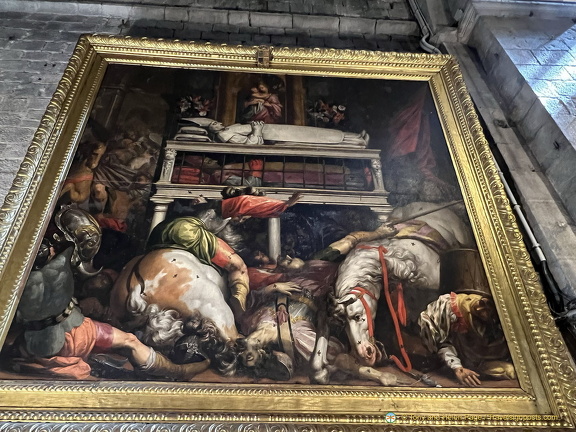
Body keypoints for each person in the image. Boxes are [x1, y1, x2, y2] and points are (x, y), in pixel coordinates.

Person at [12, 214, 210, 381]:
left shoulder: (23, 270)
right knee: (130, 341)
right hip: (72, 335)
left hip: (32, 341)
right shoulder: (61, 267)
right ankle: (177, 371)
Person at [147, 187, 303, 317]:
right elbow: (245, 203)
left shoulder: (214, 209)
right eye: (242, 216)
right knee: (239, 267)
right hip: (189, 231)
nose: (241, 220)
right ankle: (239, 310)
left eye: (244, 219)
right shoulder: (228, 207)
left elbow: (231, 241)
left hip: (163, 231)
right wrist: (284, 205)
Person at [418, 291, 515, 387]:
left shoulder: (495, 325)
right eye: (482, 303)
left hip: (482, 360)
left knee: (509, 370)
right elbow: (442, 342)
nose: (479, 308)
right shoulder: (450, 306)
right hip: (458, 360)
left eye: (487, 311)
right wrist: (457, 367)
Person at [185, 117, 369, 148]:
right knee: (318, 139)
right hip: (277, 136)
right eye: (214, 124)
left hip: (280, 130)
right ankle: (356, 143)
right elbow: (250, 145)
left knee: (316, 132)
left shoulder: (228, 128)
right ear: (211, 130)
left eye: (216, 122)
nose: (218, 123)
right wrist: (257, 130)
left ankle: (355, 138)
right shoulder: (223, 135)